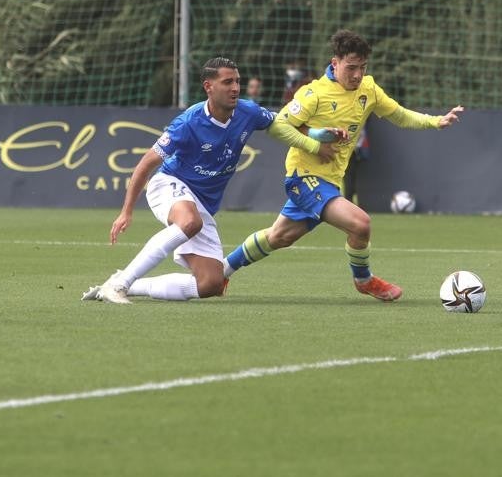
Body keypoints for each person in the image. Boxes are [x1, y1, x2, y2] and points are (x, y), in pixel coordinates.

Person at [223, 30, 464, 301]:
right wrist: (316, 141)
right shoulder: (313, 93)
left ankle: (221, 272)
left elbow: (398, 114)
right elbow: (279, 126)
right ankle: (364, 280)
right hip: (303, 176)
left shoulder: (368, 90)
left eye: (362, 67)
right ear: (334, 63)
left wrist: (436, 121)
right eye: (351, 67)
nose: (358, 74)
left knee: (279, 237)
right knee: (360, 224)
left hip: (330, 181)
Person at [82, 57, 341, 304]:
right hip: (169, 184)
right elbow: (145, 165)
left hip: (203, 204)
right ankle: (120, 285)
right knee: (190, 221)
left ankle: (121, 283)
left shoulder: (247, 111)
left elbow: (282, 124)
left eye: (237, 81)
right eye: (228, 82)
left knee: (211, 284)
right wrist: (126, 212)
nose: (236, 88)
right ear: (209, 87)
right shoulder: (188, 123)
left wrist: (317, 137)